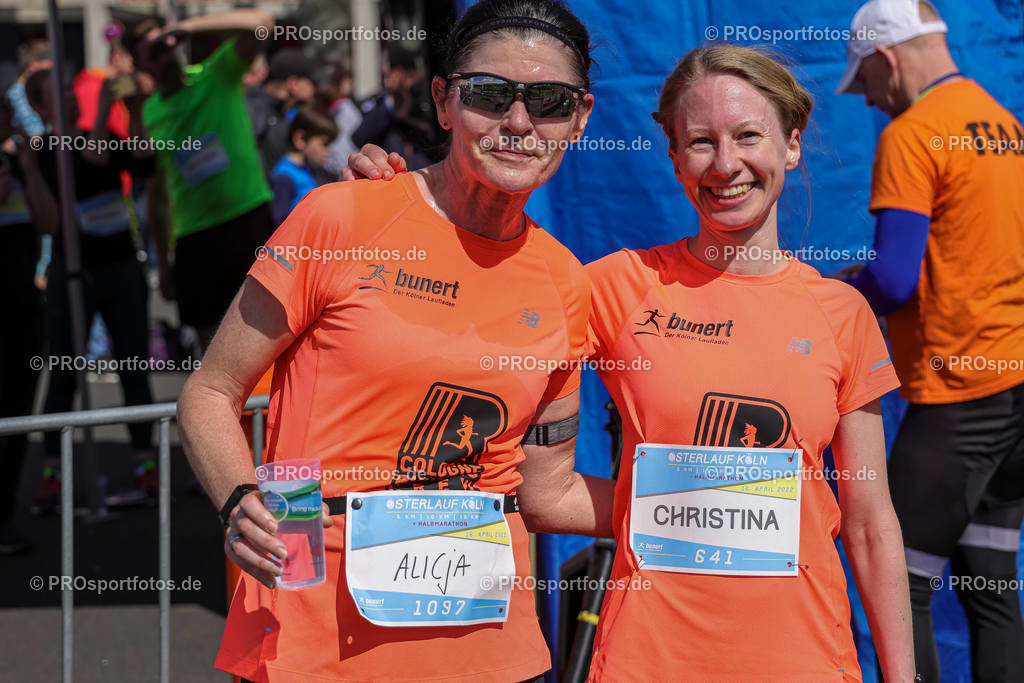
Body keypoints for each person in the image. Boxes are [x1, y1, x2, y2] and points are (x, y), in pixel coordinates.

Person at [348, 43, 916, 682]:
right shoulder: (618, 287)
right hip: (644, 663)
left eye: (748, 136)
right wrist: (404, 210)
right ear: (674, 159)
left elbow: (870, 525)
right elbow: (480, 308)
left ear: (790, 144)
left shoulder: (844, 315)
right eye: (700, 142)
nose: (726, 164)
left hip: (807, 661)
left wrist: (903, 676)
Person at [177, 1, 614, 680]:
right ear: (444, 101)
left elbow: (546, 494)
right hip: (315, 643)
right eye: (491, 95)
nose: (519, 123)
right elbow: (210, 390)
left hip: (490, 652)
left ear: (580, 118)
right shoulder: (341, 216)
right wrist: (243, 502)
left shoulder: (564, 279)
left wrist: (702, 507)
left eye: (550, 101)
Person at [835, 1, 1024, 680]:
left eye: (866, 84)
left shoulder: (914, 133)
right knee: (992, 585)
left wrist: (823, 294)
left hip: (959, 394)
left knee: (900, 579)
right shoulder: (1010, 127)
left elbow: (892, 280)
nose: (871, 103)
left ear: (888, 58)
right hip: (1016, 390)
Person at [21, 68, 158, 510]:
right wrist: (104, 110)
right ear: (41, 106)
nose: (70, 98)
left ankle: (145, 465)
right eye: (58, 94)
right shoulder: (45, 150)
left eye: (69, 90)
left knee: (134, 367)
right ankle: (52, 474)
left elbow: (142, 163)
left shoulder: (94, 133)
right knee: (63, 372)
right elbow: (93, 158)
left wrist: (134, 114)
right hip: (74, 271)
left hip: (120, 266)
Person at [135, 9, 276, 351]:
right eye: (153, 53)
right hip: (195, 237)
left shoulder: (216, 74)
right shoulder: (149, 113)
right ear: (142, 66)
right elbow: (156, 194)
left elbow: (263, 24)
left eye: (167, 46)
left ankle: (271, 406)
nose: (164, 56)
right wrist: (165, 266)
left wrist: (186, 27)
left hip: (247, 219)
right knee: (210, 346)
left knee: (268, 332)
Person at [269, 107, 338, 224]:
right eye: (324, 144)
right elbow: (280, 225)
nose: (328, 151)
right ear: (300, 139)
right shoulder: (283, 177)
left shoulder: (314, 170)